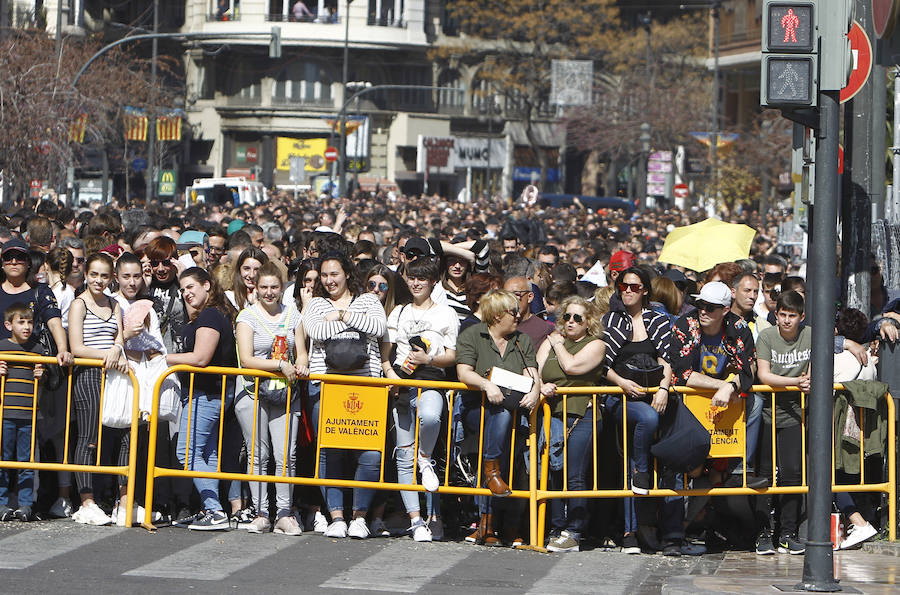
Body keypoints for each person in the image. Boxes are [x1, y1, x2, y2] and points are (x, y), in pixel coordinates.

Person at [303, 251, 387, 539]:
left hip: (367, 386)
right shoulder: (314, 304)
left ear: (347, 274)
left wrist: (341, 314)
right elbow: (316, 331)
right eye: (324, 275)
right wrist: (353, 322)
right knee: (330, 452)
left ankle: (360, 517)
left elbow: (377, 327)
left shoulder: (368, 301)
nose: (328, 281)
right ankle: (336, 515)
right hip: (326, 385)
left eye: (334, 274)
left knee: (370, 455)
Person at [455, 289, 540, 546]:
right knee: (499, 417)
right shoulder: (472, 334)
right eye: (513, 311)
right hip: (478, 408)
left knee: (503, 424)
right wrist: (486, 385)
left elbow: (531, 372)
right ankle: (491, 476)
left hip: (511, 410)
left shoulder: (520, 339)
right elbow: (463, 372)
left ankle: (490, 522)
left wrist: (535, 390)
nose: (518, 315)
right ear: (496, 315)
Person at [383, 256, 458, 542]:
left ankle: (425, 457)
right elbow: (386, 350)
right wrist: (390, 373)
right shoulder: (399, 312)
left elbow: (453, 354)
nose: (416, 283)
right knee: (403, 456)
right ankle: (416, 521)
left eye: (422, 278)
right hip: (402, 383)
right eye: (411, 277)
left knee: (430, 417)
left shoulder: (445, 313)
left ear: (432, 282)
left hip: (432, 381)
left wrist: (430, 359)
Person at [600, 266, 673, 553]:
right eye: (624, 286)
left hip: (655, 394)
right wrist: (622, 383)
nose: (628, 291)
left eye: (634, 286)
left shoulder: (657, 320)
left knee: (640, 463)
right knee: (644, 429)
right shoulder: (612, 320)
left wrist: (664, 388)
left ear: (645, 291)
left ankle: (641, 531)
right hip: (622, 398)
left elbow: (668, 359)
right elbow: (602, 364)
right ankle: (632, 525)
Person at [235, 262, 305, 536]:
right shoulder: (247, 316)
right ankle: (262, 512)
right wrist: (279, 365)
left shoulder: (293, 314)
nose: (268, 292)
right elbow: (247, 358)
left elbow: (301, 351)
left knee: (286, 454)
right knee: (258, 455)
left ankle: (284, 513)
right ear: (256, 288)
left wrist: (300, 364)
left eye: (274, 287)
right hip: (253, 391)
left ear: (282, 287)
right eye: (263, 287)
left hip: (285, 391)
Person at [165, 267, 237, 531]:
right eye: (182, 289)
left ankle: (215, 511)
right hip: (207, 393)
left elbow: (201, 357)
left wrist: (164, 360)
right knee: (205, 452)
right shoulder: (209, 314)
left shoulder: (210, 314)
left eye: (191, 286)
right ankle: (211, 508)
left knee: (187, 451)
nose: (186, 293)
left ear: (207, 285)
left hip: (207, 393)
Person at [536, 296, 605, 553]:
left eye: (578, 318)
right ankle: (557, 528)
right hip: (552, 415)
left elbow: (571, 366)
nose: (571, 322)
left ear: (589, 322)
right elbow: (535, 370)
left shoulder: (595, 344)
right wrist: (540, 386)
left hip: (582, 416)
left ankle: (574, 531)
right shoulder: (551, 342)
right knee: (555, 472)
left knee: (575, 474)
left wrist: (557, 344)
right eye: (567, 317)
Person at [68, 253, 129, 526]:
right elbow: (77, 347)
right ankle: (86, 500)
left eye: (104, 276)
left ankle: (119, 500)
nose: (99, 280)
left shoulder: (115, 304)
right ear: (86, 274)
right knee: (88, 438)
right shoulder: (79, 304)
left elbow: (120, 337)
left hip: (114, 376)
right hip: (89, 374)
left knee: (118, 437)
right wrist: (109, 354)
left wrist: (116, 349)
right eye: (94, 274)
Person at [754, 290, 810, 556]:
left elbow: (831, 347)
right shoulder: (767, 336)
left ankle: (788, 533)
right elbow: (764, 375)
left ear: (802, 317)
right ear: (776, 315)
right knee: (764, 475)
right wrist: (797, 382)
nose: (786, 321)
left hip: (795, 416)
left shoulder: (810, 335)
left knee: (792, 474)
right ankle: (763, 533)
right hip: (767, 412)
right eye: (782, 315)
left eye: (792, 316)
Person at [0, 303, 45, 521]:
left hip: (29, 415)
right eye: (21, 322)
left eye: (30, 322)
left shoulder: (37, 349)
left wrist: (42, 374)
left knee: (26, 462)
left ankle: (26, 504)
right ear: (8, 325)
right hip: (4, 415)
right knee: (3, 460)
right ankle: (2, 503)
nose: (27, 327)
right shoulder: (2, 347)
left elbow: (48, 382)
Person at [504, 276, 554, 349]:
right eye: (506, 296)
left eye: (516, 295)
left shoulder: (545, 330)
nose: (510, 300)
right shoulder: (497, 326)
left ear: (530, 297)